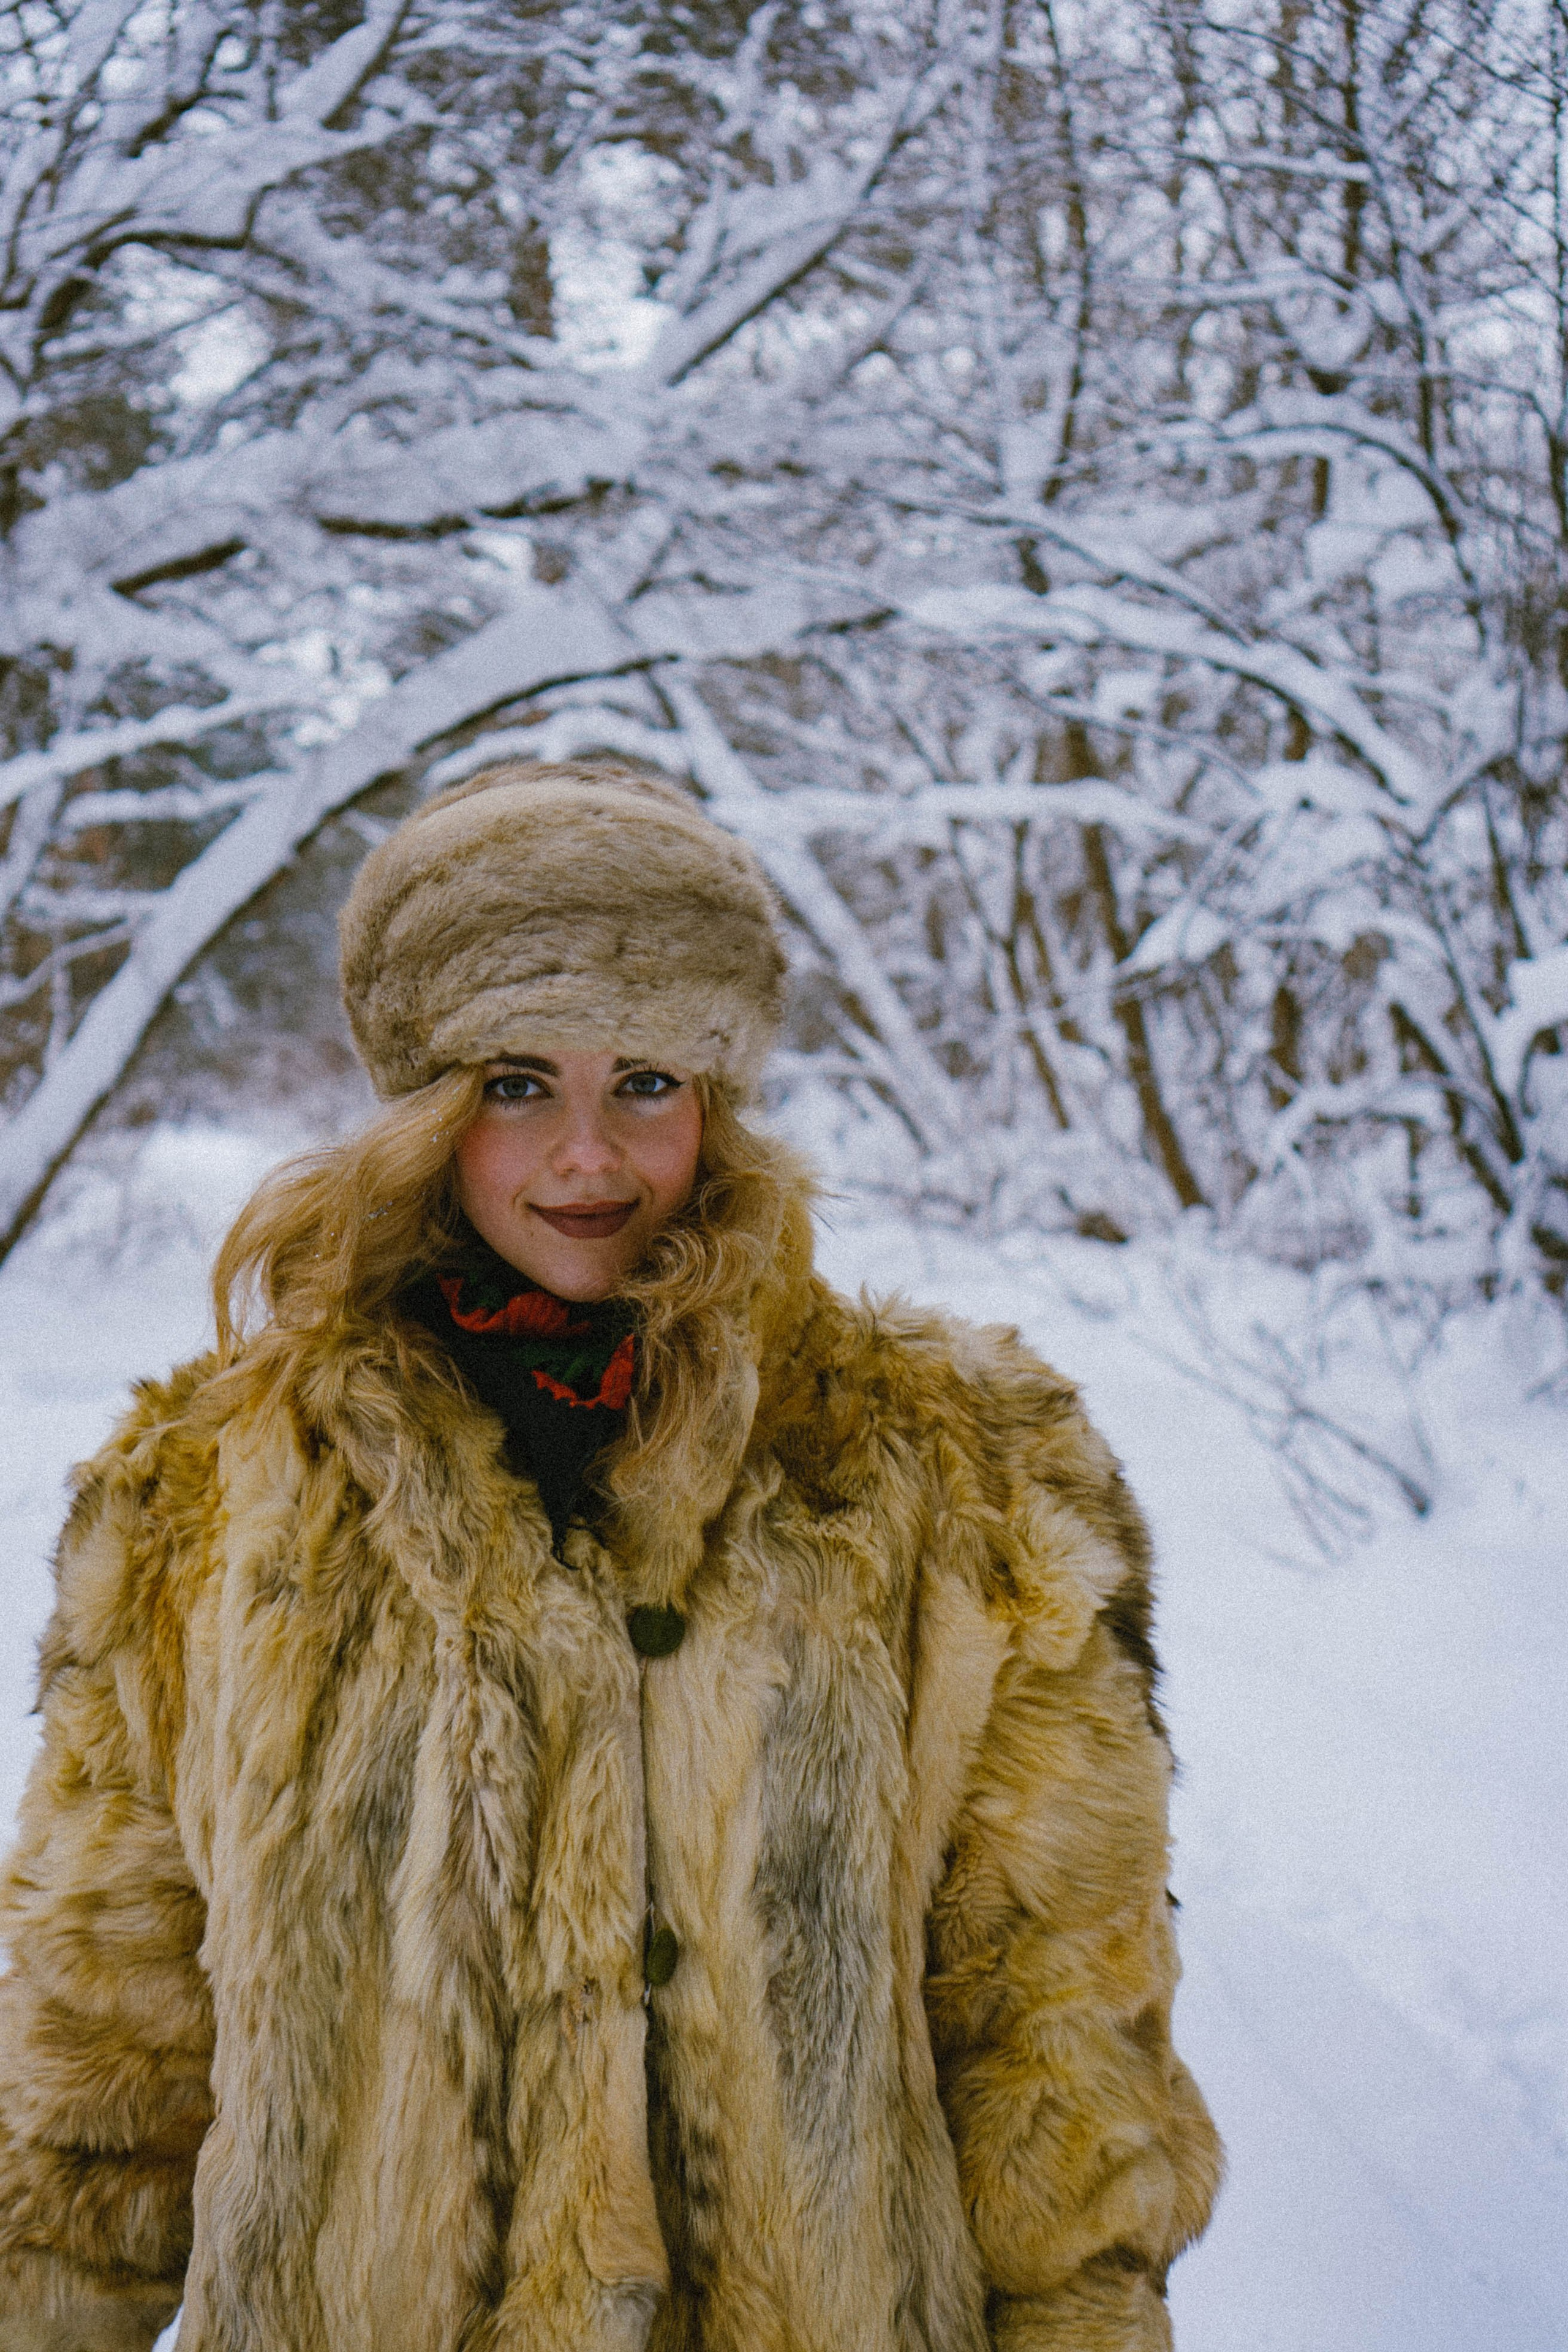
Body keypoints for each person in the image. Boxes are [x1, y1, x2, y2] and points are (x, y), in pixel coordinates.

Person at [0, 760, 1220, 2352]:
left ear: (717, 1091)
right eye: (517, 1081)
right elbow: (99, 2064)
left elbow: (1059, 2031)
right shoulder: (202, 1502)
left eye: (645, 1077)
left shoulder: (958, 1480)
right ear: (427, 1100)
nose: (588, 1155)